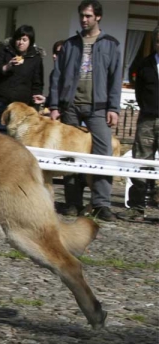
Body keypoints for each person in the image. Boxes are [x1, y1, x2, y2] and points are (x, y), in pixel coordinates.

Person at [49, 0, 122, 221]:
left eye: (89, 16)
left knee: (103, 153)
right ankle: (73, 203)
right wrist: (54, 105)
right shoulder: (71, 44)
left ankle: (101, 204)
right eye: (82, 15)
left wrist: (114, 107)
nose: (84, 19)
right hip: (70, 106)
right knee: (71, 156)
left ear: (98, 17)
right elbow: (57, 76)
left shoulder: (111, 44)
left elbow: (115, 78)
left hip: (98, 107)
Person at [117, 27, 159, 221]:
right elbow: (139, 93)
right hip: (147, 120)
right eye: (158, 41)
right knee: (140, 162)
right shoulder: (144, 64)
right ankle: (136, 208)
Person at [0, 25, 45, 123]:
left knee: (13, 137)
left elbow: (37, 83)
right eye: (18, 39)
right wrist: (6, 67)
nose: (20, 43)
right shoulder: (5, 51)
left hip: (20, 108)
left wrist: (36, 99)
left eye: (24, 40)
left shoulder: (35, 58)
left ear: (30, 42)